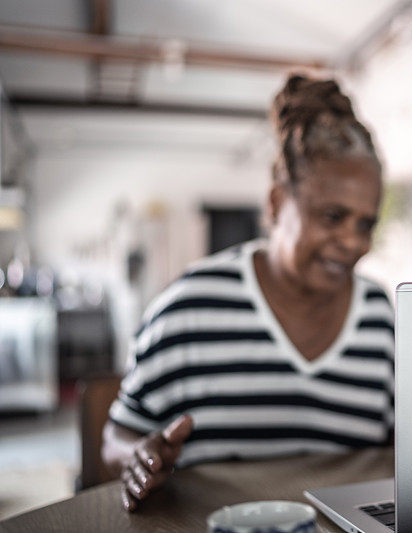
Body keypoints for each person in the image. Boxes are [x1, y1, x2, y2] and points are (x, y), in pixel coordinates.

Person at [101, 74, 394, 512]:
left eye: (365, 223)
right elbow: (114, 439)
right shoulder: (186, 311)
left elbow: (396, 447)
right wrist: (140, 457)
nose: (354, 242)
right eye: (333, 217)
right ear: (275, 204)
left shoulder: (378, 314)